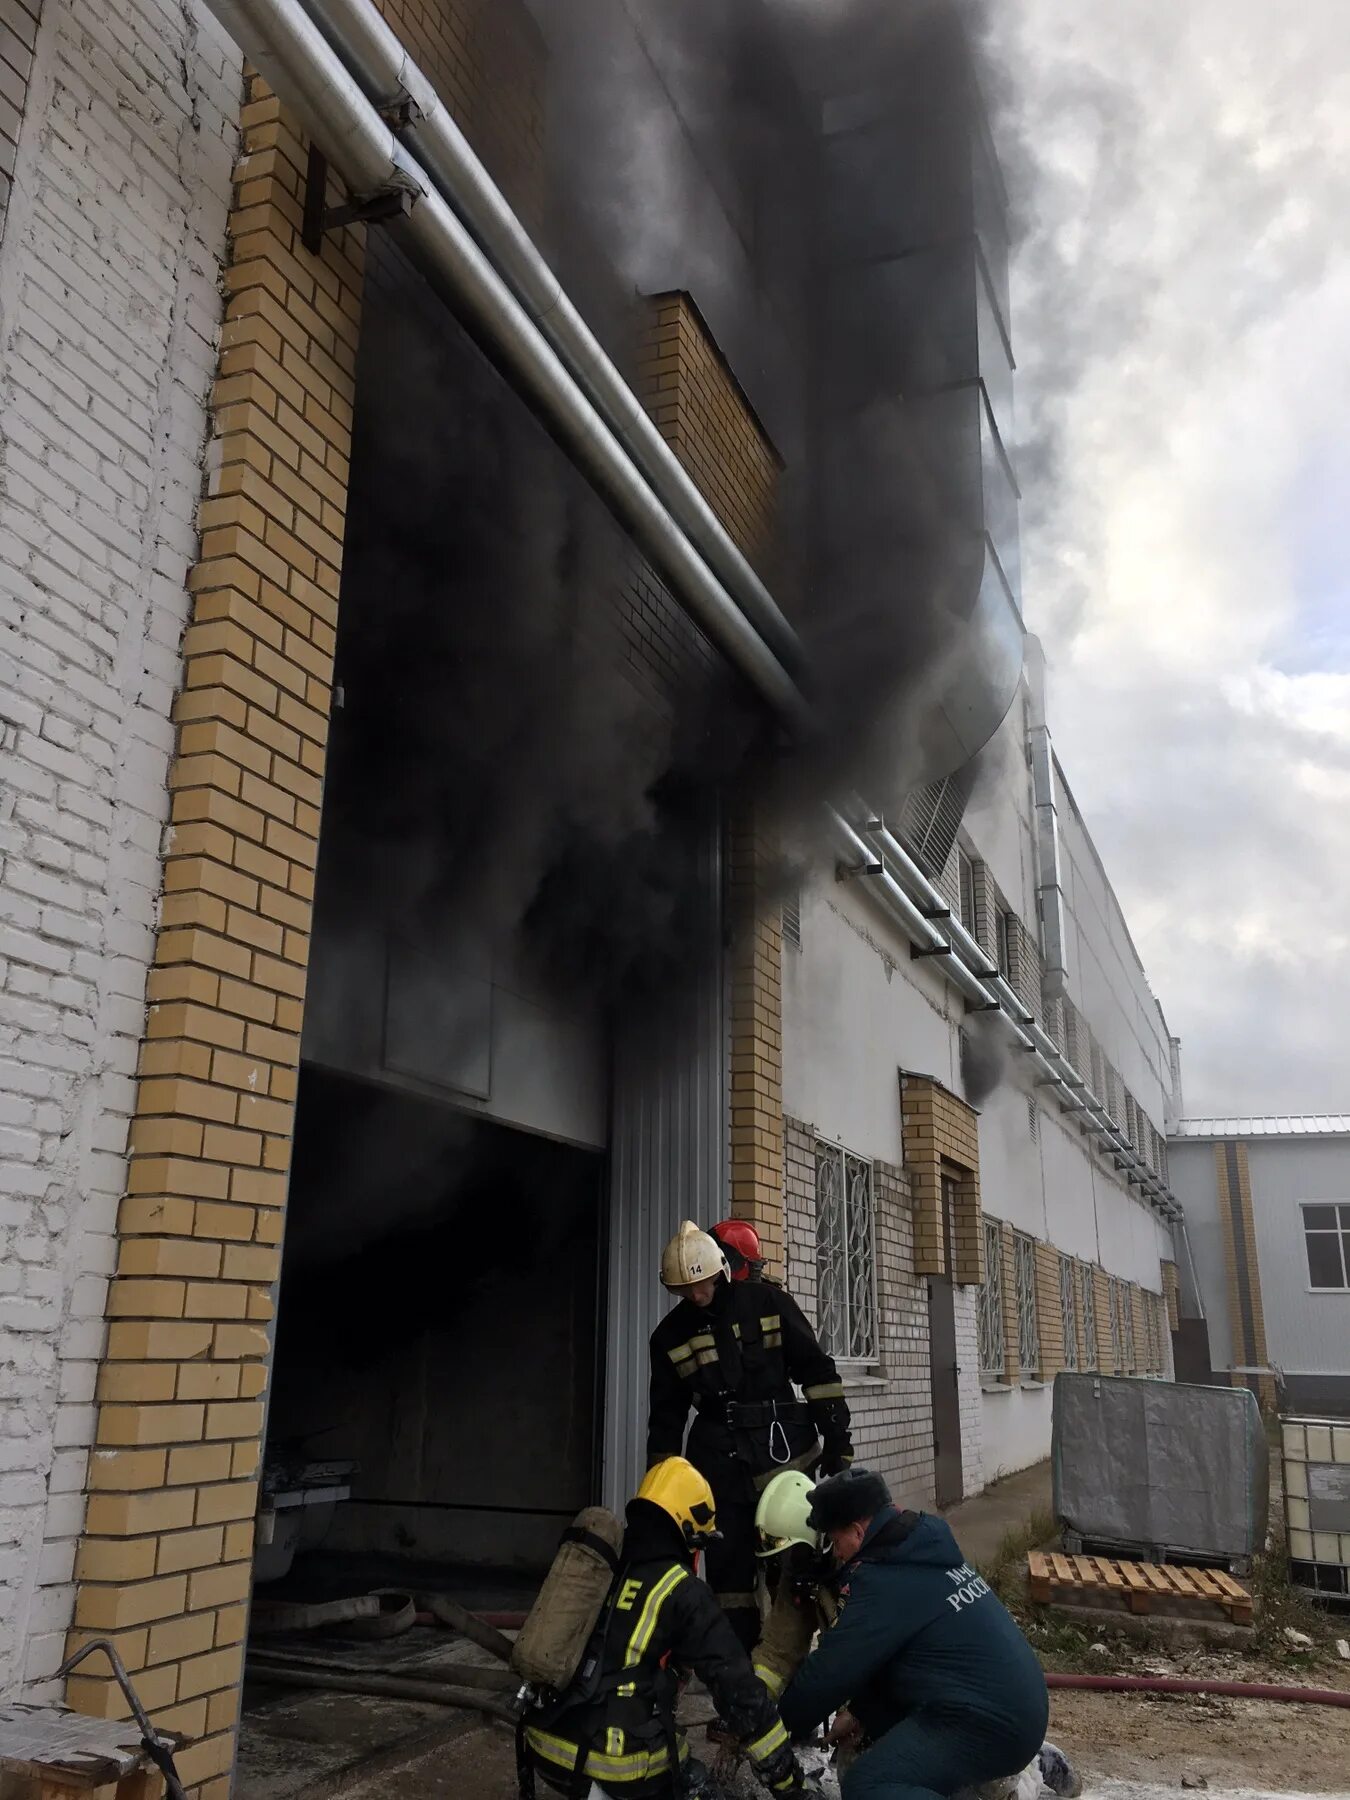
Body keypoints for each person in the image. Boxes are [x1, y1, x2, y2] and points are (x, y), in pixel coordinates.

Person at [751, 1472, 1081, 1800]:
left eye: (835, 1541)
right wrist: (861, 1712)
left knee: (868, 1783)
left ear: (856, 1531)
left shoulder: (882, 1580)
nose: (836, 1552)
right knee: (871, 1757)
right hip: (998, 1706)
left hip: (992, 1722)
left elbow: (827, 1675)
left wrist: (767, 1729)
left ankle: (1015, 1774)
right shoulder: (912, 1550)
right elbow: (888, 1663)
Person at [519, 1456, 811, 1799]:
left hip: (546, 1749)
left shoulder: (604, 1561)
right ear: (686, 1531)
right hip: (613, 1768)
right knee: (704, 1787)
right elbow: (740, 1692)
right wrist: (787, 1783)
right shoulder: (682, 1591)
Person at [647, 1222, 853, 1654]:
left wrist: (838, 1444)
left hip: (785, 1460)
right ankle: (739, 1664)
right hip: (719, 1464)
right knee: (728, 1570)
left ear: (720, 1271)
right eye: (684, 1290)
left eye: (700, 1285)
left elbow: (816, 1371)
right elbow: (666, 1416)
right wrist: (659, 1486)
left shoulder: (769, 1303)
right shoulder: (669, 1336)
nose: (695, 1296)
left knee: (796, 1562)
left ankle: (792, 1661)